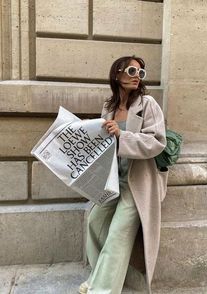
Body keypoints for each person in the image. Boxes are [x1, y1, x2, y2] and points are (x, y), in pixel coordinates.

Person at [79, 56, 168, 294]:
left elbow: (158, 141)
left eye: (141, 72)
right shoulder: (108, 108)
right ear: (117, 74)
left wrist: (122, 135)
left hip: (137, 183)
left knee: (118, 233)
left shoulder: (147, 103)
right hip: (112, 180)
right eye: (131, 70)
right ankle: (99, 275)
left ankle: (102, 290)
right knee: (95, 222)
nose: (137, 76)